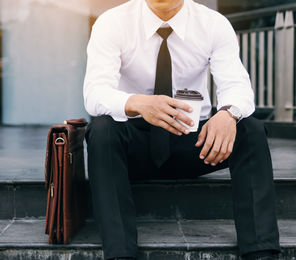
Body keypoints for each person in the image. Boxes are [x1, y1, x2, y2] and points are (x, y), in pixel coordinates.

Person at [83, 0, 281, 259]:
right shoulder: (112, 22)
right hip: (134, 147)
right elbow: (95, 93)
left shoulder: (213, 24)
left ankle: (261, 251)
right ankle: (120, 253)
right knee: (101, 129)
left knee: (250, 129)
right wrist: (137, 103)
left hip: (195, 145)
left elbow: (237, 85)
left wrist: (227, 113)